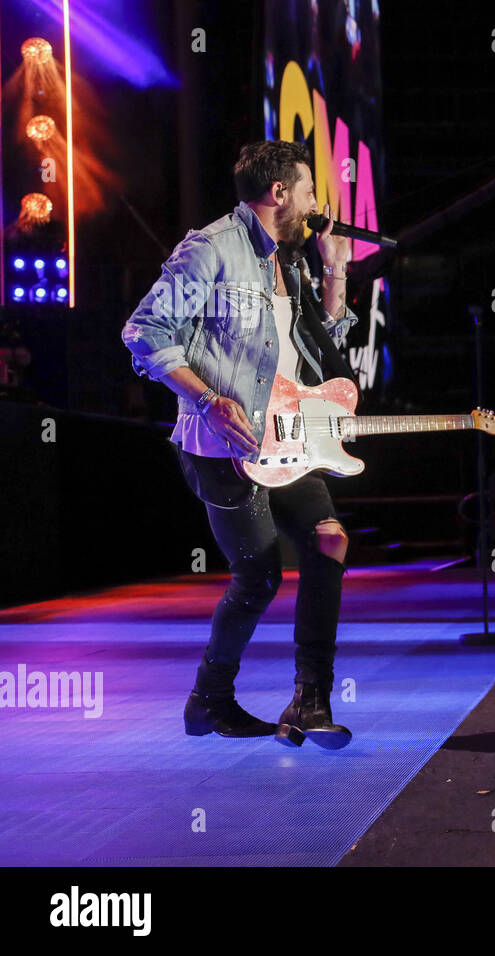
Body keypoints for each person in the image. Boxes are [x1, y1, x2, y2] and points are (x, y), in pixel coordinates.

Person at [121, 140, 360, 748]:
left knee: (329, 541)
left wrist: (335, 269)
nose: (315, 204)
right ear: (279, 193)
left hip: (285, 435)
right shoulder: (211, 249)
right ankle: (209, 701)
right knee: (258, 579)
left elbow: (320, 348)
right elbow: (144, 333)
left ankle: (311, 700)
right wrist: (206, 398)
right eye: (308, 191)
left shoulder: (289, 259)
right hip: (221, 446)